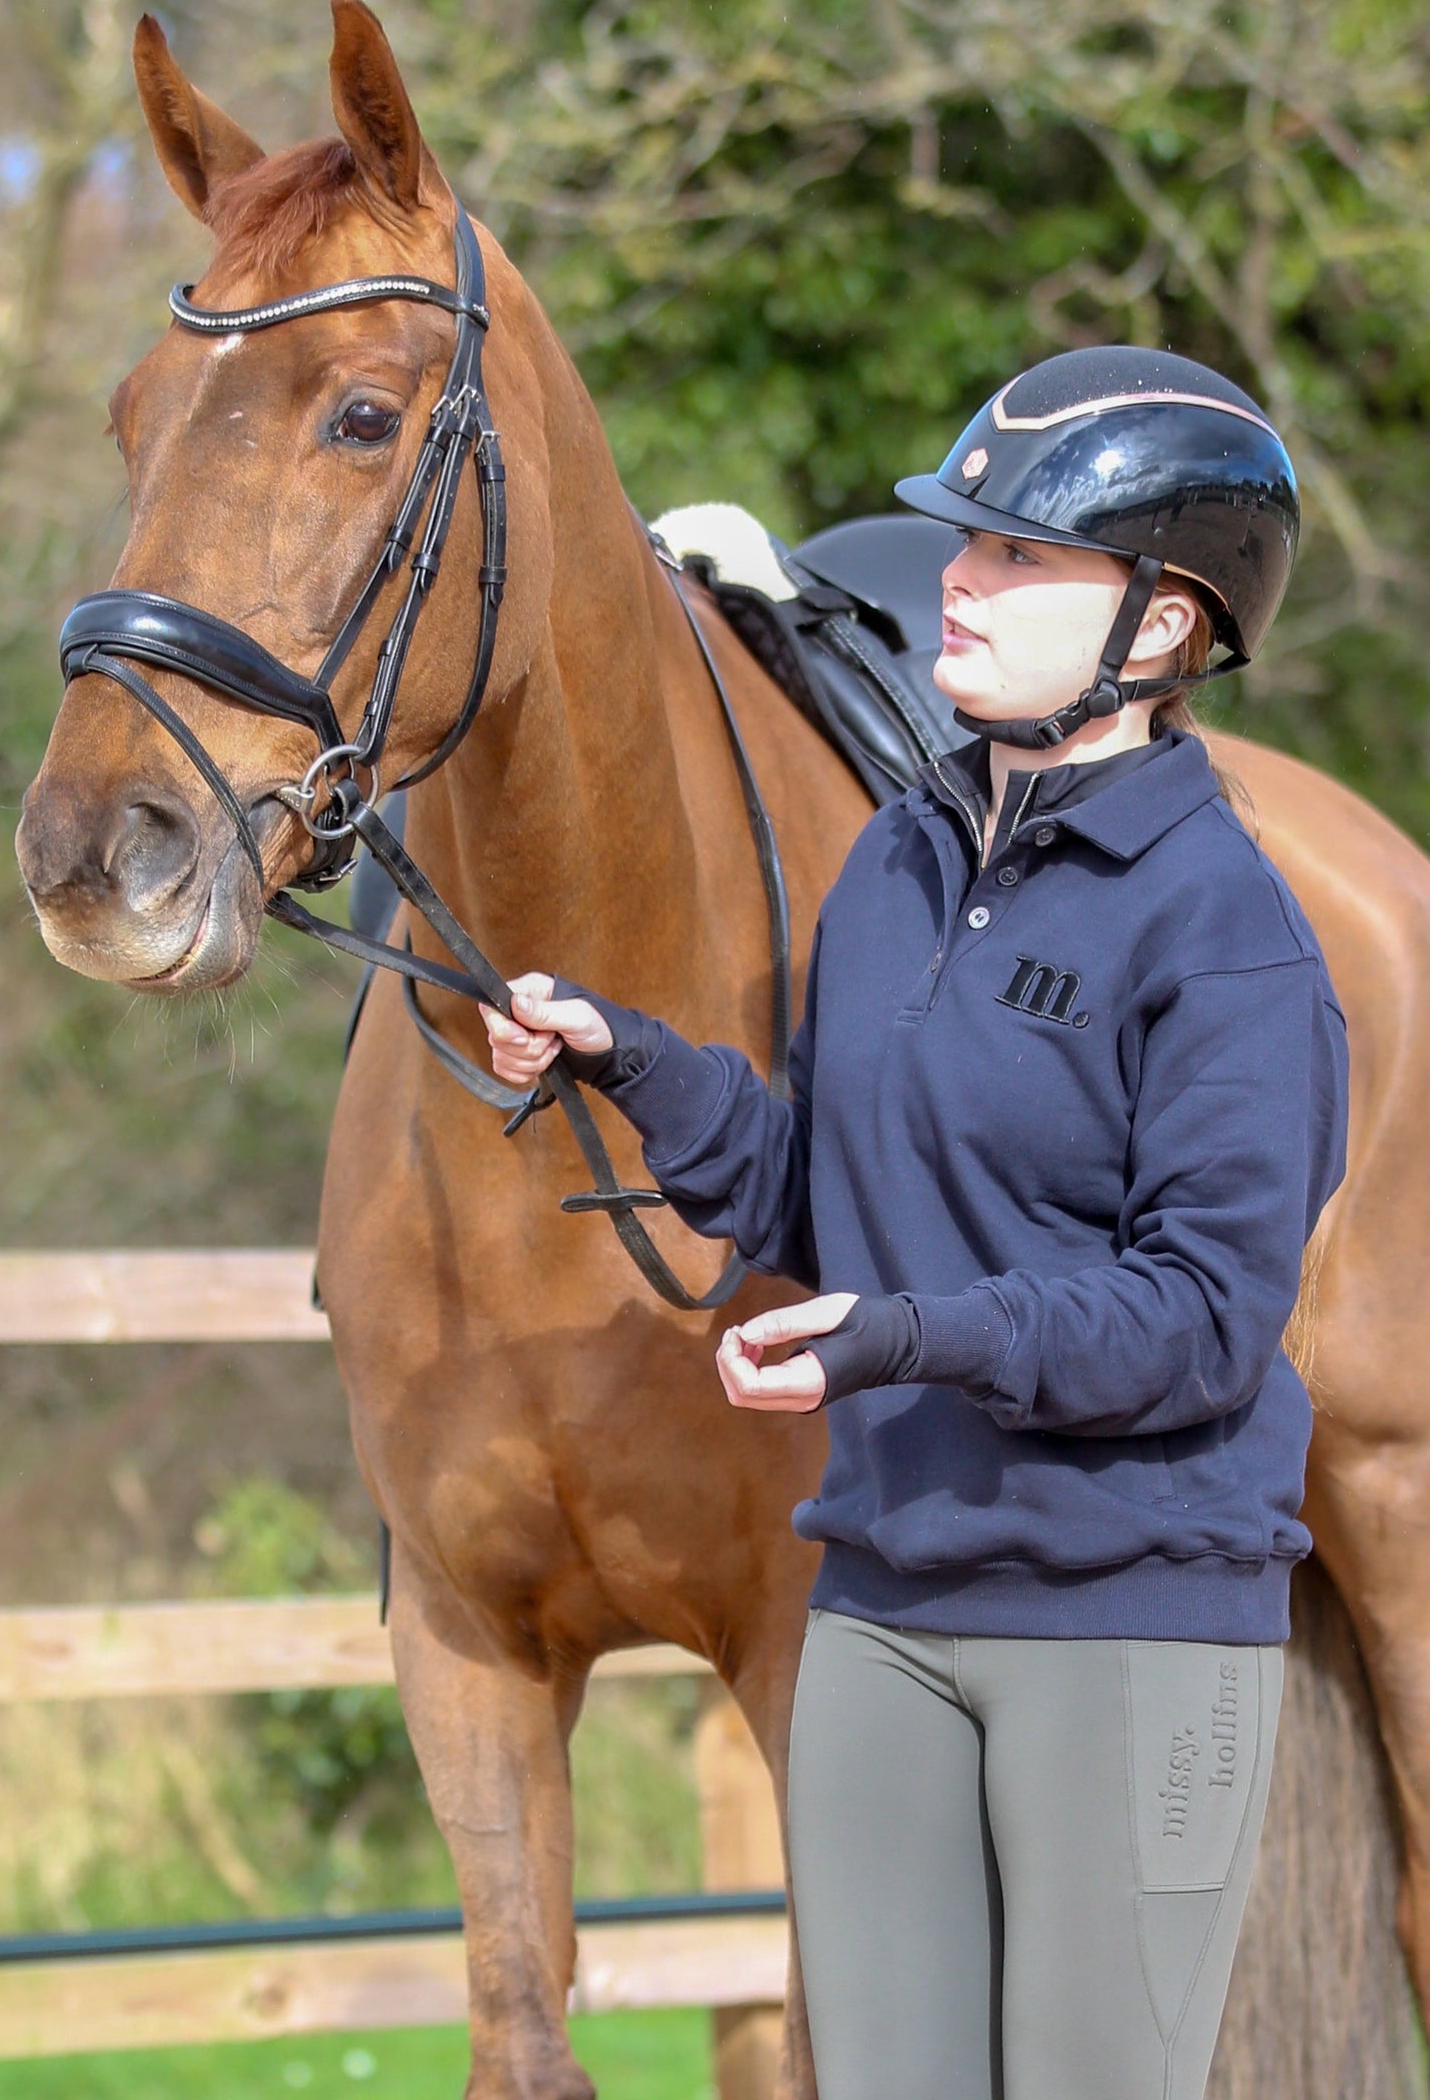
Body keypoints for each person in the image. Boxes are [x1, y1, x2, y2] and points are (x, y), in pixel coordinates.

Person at [477, 347, 1350, 2100]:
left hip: (1128, 1626)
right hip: (877, 1608)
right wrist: (634, 1062)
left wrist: (898, 1338)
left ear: (1164, 626)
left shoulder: (1227, 936)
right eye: (966, 543)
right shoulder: (898, 861)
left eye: (1018, 555)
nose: (955, 575)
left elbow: (1194, 1321)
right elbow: (837, 1192)